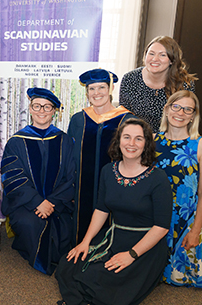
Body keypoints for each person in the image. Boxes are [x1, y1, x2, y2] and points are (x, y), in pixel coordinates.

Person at [55, 118, 172, 305]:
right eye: (126, 137)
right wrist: (85, 242)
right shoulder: (108, 171)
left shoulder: (158, 178)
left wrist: (131, 255)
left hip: (145, 246)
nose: (131, 144)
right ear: (119, 141)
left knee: (101, 279)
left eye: (138, 139)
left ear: (146, 144)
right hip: (114, 236)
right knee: (69, 265)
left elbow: (161, 227)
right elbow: (101, 210)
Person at [0, 87, 75, 275]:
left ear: (54, 111)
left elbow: (72, 176)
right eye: (37, 106)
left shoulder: (64, 140)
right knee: (32, 223)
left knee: (66, 228)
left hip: (58, 203)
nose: (42, 111)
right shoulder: (16, 142)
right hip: (26, 204)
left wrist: (52, 202)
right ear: (31, 109)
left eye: (47, 107)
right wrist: (37, 202)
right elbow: (13, 177)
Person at [68, 69, 134, 244]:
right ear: (87, 92)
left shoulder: (126, 120)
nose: (96, 93)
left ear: (110, 89)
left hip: (115, 187)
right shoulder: (78, 120)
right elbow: (69, 156)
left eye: (101, 88)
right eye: (92, 89)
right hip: (81, 188)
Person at [155, 90, 202, 286]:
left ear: (193, 116)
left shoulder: (198, 145)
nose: (180, 113)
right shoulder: (151, 141)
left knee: (182, 279)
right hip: (155, 217)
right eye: (176, 107)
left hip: (187, 220)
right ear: (167, 110)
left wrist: (196, 230)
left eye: (187, 109)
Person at [119, 36, 197, 133]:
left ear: (172, 60)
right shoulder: (130, 79)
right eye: (151, 54)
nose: (155, 59)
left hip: (170, 139)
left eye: (162, 55)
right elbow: (124, 117)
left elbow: (186, 118)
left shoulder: (184, 84)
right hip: (138, 138)